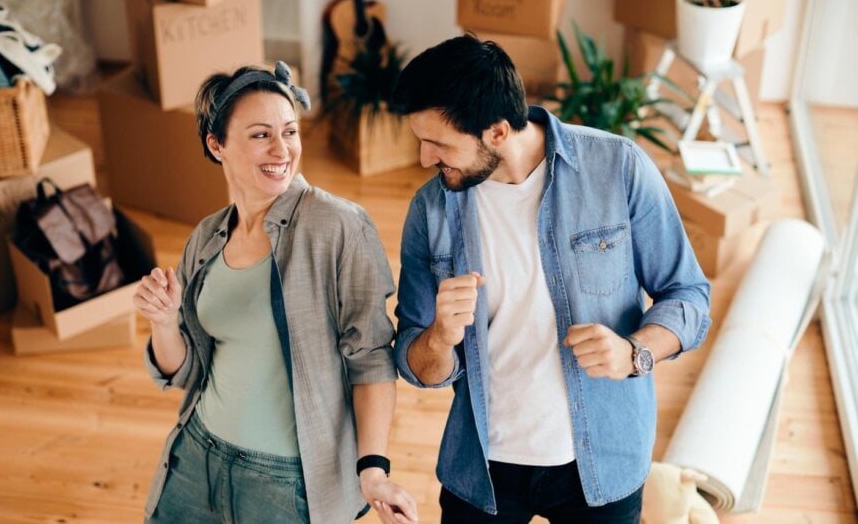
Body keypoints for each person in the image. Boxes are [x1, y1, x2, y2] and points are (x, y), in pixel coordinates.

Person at [390, 35, 712, 523]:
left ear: (497, 132)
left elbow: (689, 295)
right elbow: (416, 363)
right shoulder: (431, 211)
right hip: (483, 472)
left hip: (602, 463)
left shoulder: (616, 168)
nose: (424, 158)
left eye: (438, 143)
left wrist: (634, 352)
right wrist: (439, 337)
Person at [133, 61, 417, 524]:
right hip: (197, 455)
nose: (282, 149)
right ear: (216, 144)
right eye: (261, 135)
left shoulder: (338, 225)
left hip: (285, 482)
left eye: (289, 131)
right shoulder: (206, 238)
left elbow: (370, 356)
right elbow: (181, 372)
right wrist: (163, 322)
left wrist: (373, 471)